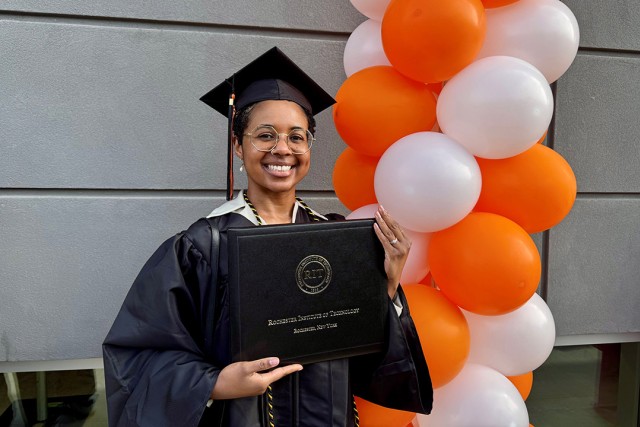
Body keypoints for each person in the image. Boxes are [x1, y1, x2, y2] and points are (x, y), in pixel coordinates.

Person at [103, 47, 432, 427]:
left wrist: (385, 287)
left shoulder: (337, 239)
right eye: (265, 135)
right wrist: (215, 383)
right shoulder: (202, 247)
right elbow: (138, 355)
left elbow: (363, 357)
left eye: (297, 137)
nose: (282, 149)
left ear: (309, 148)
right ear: (238, 146)